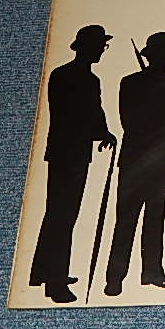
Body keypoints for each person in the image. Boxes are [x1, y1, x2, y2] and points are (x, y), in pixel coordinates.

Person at [29, 24, 116, 304]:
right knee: (62, 215)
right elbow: (72, 115)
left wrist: (104, 131)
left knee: (62, 214)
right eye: (99, 46)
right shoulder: (65, 75)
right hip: (66, 153)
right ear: (86, 47)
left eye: (103, 46)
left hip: (76, 152)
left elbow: (95, 111)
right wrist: (97, 132)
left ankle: (46, 272)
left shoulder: (90, 79)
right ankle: (54, 281)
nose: (102, 50)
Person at [104, 32, 165, 296]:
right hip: (136, 161)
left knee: (155, 219)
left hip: (159, 162)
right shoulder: (131, 82)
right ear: (154, 55)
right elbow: (128, 120)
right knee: (126, 220)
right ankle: (115, 278)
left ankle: (152, 272)